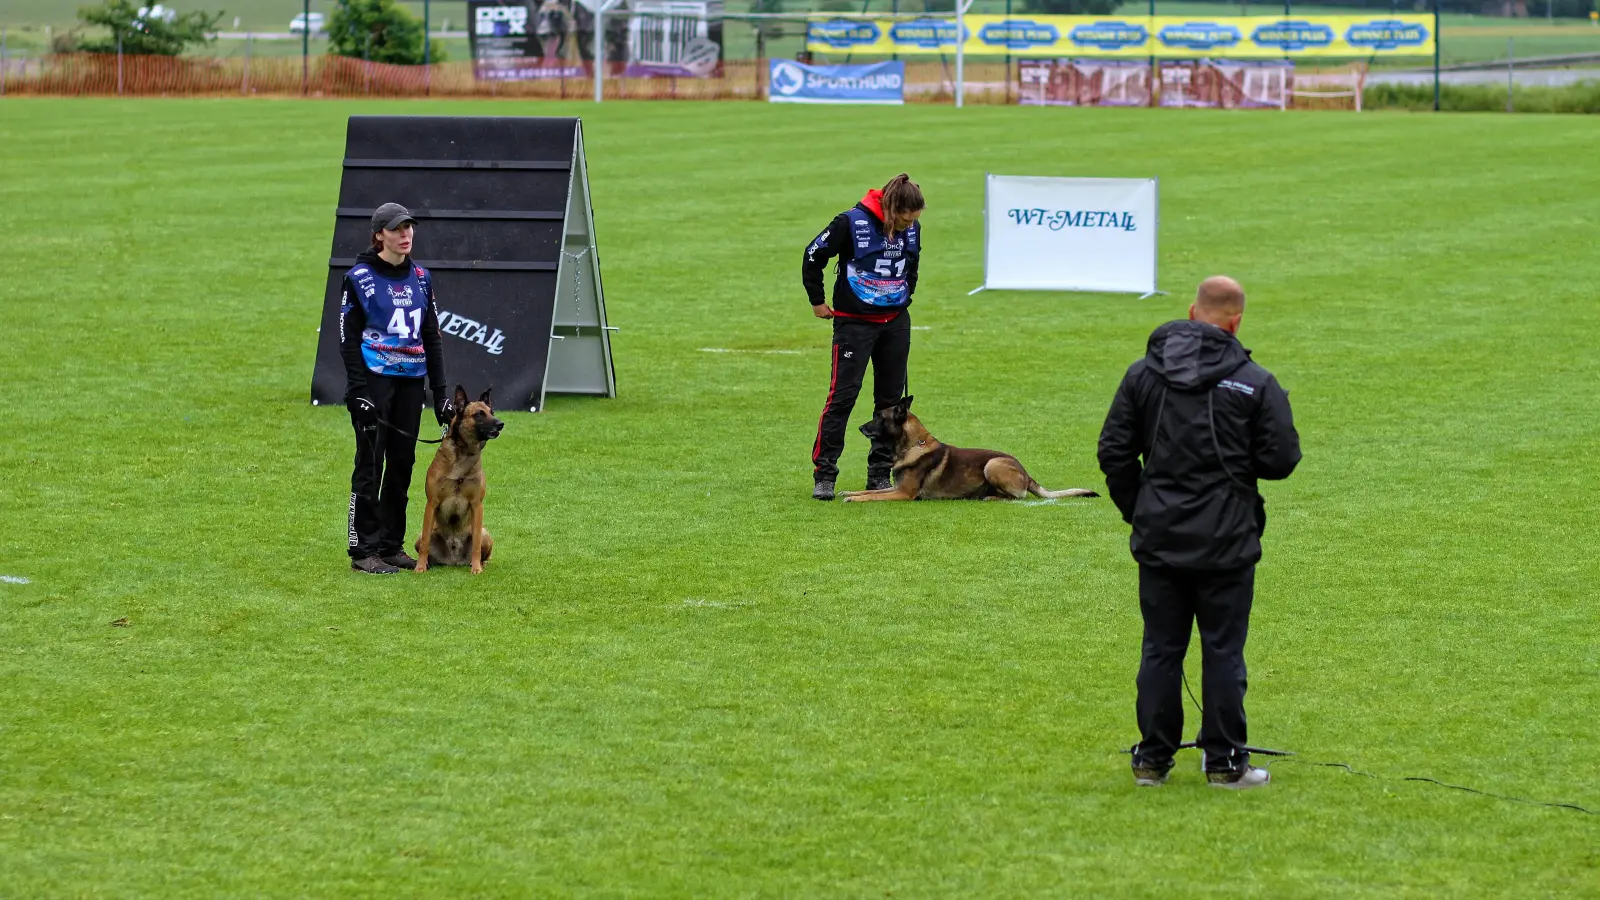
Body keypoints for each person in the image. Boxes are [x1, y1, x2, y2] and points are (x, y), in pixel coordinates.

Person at [1097, 276, 1301, 789]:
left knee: (1161, 648)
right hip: (1227, 537)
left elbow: (1114, 453)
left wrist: (1139, 508)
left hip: (1161, 533)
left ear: (1192, 312)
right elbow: (1281, 461)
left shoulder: (1142, 375)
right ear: (1236, 322)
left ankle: (1152, 760)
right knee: (1223, 650)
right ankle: (1226, 762)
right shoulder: (1254, 381)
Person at [340, 202, 452, 575]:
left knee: (402, 464)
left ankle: (390, 545)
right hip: (374, 382)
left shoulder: (421, 277)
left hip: (410, 383)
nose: (405, 235)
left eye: (409, 228)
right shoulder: (359, 278)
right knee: (370, 464)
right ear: (378, 235)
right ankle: (362, 550)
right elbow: (347, 338)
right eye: (396, 229)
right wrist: (357, 392)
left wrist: (440, 395)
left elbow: (431, 339)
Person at [802, 173, 925, 501]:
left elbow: (912, 264)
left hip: (895, 323)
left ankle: (879, 474)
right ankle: (825, 474)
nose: (908, 225)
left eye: (914, 220)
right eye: (904, 218)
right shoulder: (850, 223)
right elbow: (813, 255)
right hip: (854, 324)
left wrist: (905, 297)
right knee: (842, 398)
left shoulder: (911, 227)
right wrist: (817, 300)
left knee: (890, 403)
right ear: (890, 206)